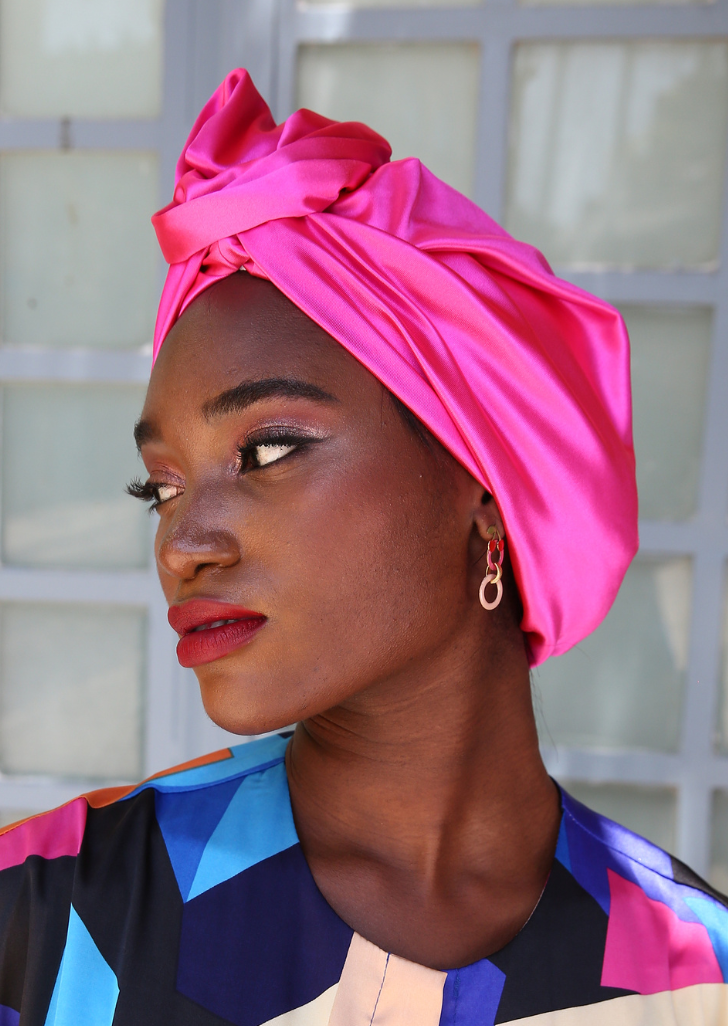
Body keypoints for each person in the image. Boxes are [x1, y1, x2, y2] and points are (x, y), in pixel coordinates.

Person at [0, 68, 725, 1026]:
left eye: (265, 450)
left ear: (482, 484)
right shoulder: (47, 919)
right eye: (161, 488)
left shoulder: (693, 977)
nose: (182, 544)